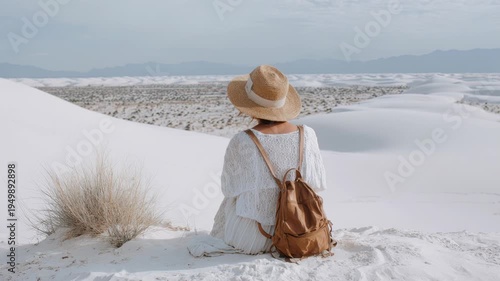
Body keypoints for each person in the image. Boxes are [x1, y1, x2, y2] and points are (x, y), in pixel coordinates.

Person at [188, 65, 327, 257]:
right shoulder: (308, 135)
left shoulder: (242, 140)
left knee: (232, 201)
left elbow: (229, 188)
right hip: (301, 229)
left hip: (252, 237)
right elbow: (316, 183)